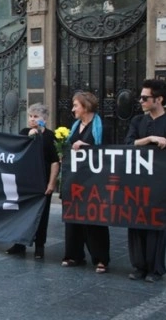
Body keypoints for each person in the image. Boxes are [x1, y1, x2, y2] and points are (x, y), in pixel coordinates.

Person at [125, 79, 166, 283]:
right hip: (136, 182)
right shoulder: (138, 121)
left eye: (145, 97)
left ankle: (155, 269)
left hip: (160, 184)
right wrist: (149, 139)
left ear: (158, 99)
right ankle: (139, 266)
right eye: (140, 97)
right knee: (135, 223)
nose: (140, 101)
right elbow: (128, 144)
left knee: (157, 226)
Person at [61, 91, 111, 274]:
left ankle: (101, 258)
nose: (73, 109)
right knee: (73, 217)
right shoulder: (75, 127)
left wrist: (86, 147)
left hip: (94, 180)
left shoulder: (101, 126)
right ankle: (74, 255)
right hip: (75, 180)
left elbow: (107, 152)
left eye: (76, 105)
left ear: (86, 107)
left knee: (94, 218)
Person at [5, 103, 60, 259]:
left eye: (36, 117)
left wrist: (51, 183)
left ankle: (39, 246)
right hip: (25, 180)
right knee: (21, 212)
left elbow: (54, 161)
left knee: (42, 215)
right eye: (30, 116)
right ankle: (19, 244)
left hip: (42, 181)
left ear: (44, 119)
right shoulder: (24, 132)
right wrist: (30, 136)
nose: (32, 119)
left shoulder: (50, 136)